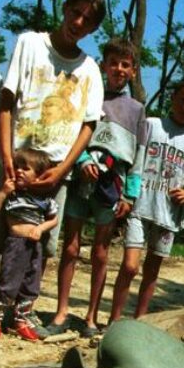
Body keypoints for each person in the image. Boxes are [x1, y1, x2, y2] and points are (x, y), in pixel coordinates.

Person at [0, 0, 107, 338]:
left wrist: (63, 169)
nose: (78, 22)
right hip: (19, 160)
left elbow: (88, 125)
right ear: (65, 8)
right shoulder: (30, 44)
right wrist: (5, 156)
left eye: (87, 20)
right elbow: (7, 101)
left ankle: (22, 311)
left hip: (54, 170)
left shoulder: (90, 70)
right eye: (76, 13)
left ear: (93, 29)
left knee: (41, 244)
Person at [48, 37, 147, 337]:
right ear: (103, 65)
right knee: (71, 245)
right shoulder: (89, 95)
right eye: (113, 62)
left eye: (125, 65)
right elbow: (73, 132)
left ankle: (91, 316)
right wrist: (81, 161)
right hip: (82, 179)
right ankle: (61, 311)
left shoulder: (136, 109)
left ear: (133, 71)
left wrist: (131, 193)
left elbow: (138, 155)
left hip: (112, 184)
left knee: (101, 252)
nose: (118, 69)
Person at [108, 77, 184, 322]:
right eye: (182, 100)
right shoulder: (151, 125)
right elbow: (128, 155)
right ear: (173, 98)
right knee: (130, 267)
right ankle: (114, 319)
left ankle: (140, 321)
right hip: (139, 206)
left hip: (168, 215)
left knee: (152, 272)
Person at [0, 148, 61, 341]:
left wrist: (41, 229)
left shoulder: (44, 200)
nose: (19, 171)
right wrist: (2, 193)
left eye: (26, 168)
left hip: (35, 246)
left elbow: (54, 220)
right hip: (15, 245)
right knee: (8, 280)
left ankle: (21, 320)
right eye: (17, 167)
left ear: (39, 176)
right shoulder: (12, 195)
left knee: (31, 284)